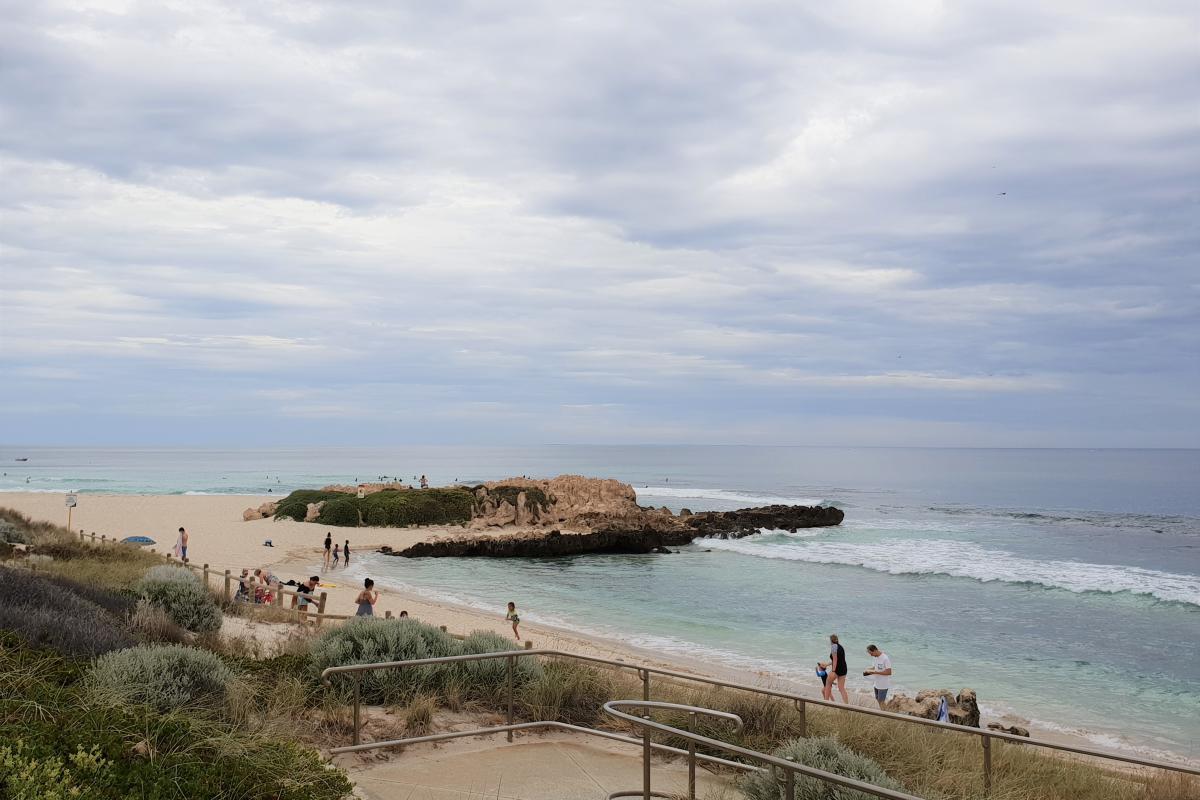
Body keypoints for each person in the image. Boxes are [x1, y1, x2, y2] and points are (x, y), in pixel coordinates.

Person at [824, 634, 849, 703]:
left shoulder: (833, 646)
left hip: (837, 670)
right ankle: (847, 706)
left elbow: (835, 659)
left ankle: (826, 702)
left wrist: (833, 671)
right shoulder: (840, 647)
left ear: (831, 640)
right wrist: (827, 664)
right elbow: (838, 659)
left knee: (828, 683)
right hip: (844, 669)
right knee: (841, 688)